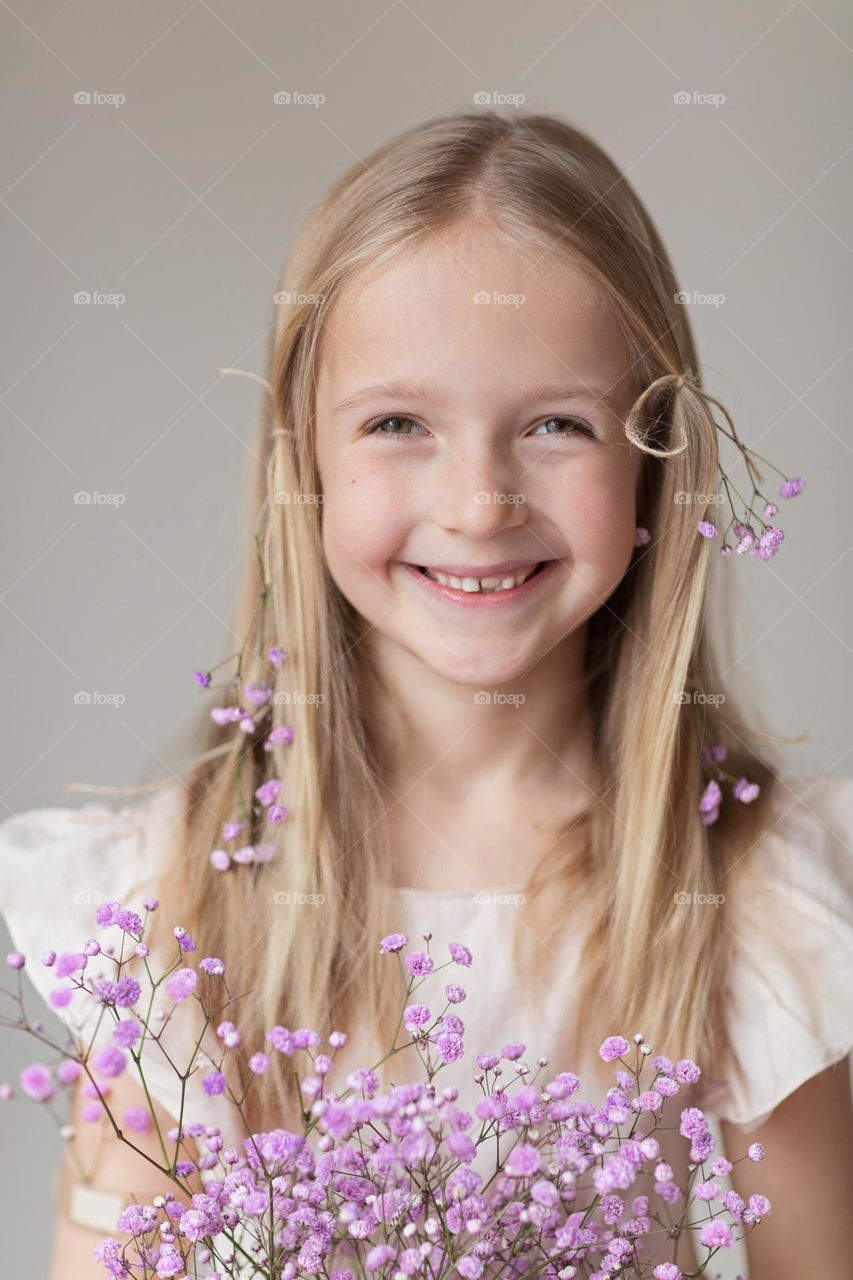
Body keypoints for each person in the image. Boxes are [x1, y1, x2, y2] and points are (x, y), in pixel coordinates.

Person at [1, 110, 851, 1280]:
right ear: (303, 460)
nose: (477, 503)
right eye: (399, 423)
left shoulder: (756, 907)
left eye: (556, 424)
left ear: (656, 457)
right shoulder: (166, 919)